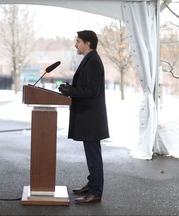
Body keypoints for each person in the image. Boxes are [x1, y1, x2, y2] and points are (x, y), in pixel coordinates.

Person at [58, 30, 109, 204]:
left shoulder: (93, 61)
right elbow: (87, 86)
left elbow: (92, 91)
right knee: (92, 154)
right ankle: (92, 184)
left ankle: (95, 192)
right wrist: (70, 88)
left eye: (78, 41)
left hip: (91, 118)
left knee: (93, 155)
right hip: (89, 116)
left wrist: (70, 91)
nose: (75, 44)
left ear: (87, 43)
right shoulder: (90, 59)